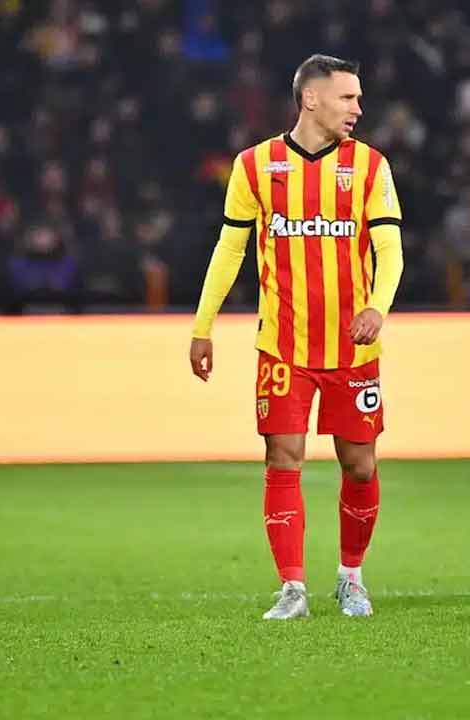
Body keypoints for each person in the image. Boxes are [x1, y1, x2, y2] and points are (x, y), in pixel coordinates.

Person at [189, 54, 404, 619]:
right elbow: (230, 249)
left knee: (360, 464)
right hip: (283, 345)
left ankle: (351, 577)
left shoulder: (371, 167)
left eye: (359, 98)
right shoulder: (255, 165)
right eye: (348, 97)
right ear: (311, 98)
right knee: (283, 458)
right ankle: (292, 589)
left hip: (353, 346)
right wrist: (203, 326)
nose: (358, 109)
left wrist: (377, 307)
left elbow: (390, 250)